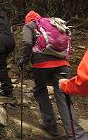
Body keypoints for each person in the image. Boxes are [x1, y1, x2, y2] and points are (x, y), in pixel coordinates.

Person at [17, 11, 88, 139]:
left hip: (42, 63)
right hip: (62, 62)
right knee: (63, 95)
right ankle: (78, 135)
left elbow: (27, 43)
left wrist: (23, 60)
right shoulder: (53, 23)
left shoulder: (30, 25)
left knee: (40, 90)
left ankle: (51, 126)